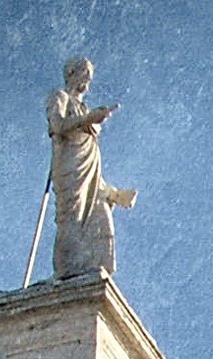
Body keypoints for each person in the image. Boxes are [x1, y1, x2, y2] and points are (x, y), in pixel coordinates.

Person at [45, 56, 137, 279]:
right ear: (71, 74)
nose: (87, 79)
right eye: (84, 73)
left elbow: (94, 173)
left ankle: (90, 271)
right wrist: (88, 119)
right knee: (72, 216)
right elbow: (57, 125)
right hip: (69, 167)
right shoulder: (60, 97)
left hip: (89, 166)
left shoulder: (83, 106)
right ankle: (66, 272)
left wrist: (113, 193)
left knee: (100, 210)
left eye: (89, 75)